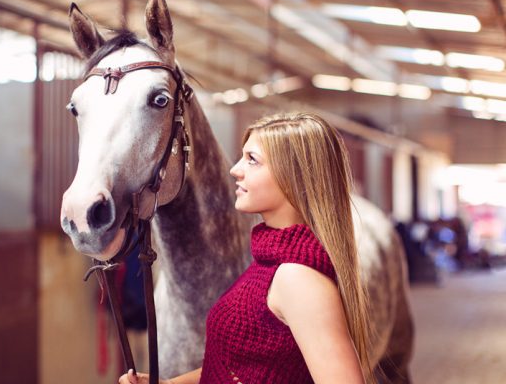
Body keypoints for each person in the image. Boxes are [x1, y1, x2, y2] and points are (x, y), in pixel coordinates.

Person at [120, 112, 372, 383]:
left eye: (252, 160)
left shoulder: (298, 278)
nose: (235, 169)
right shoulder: (269, 262)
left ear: (294, 175)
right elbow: (237, 368)